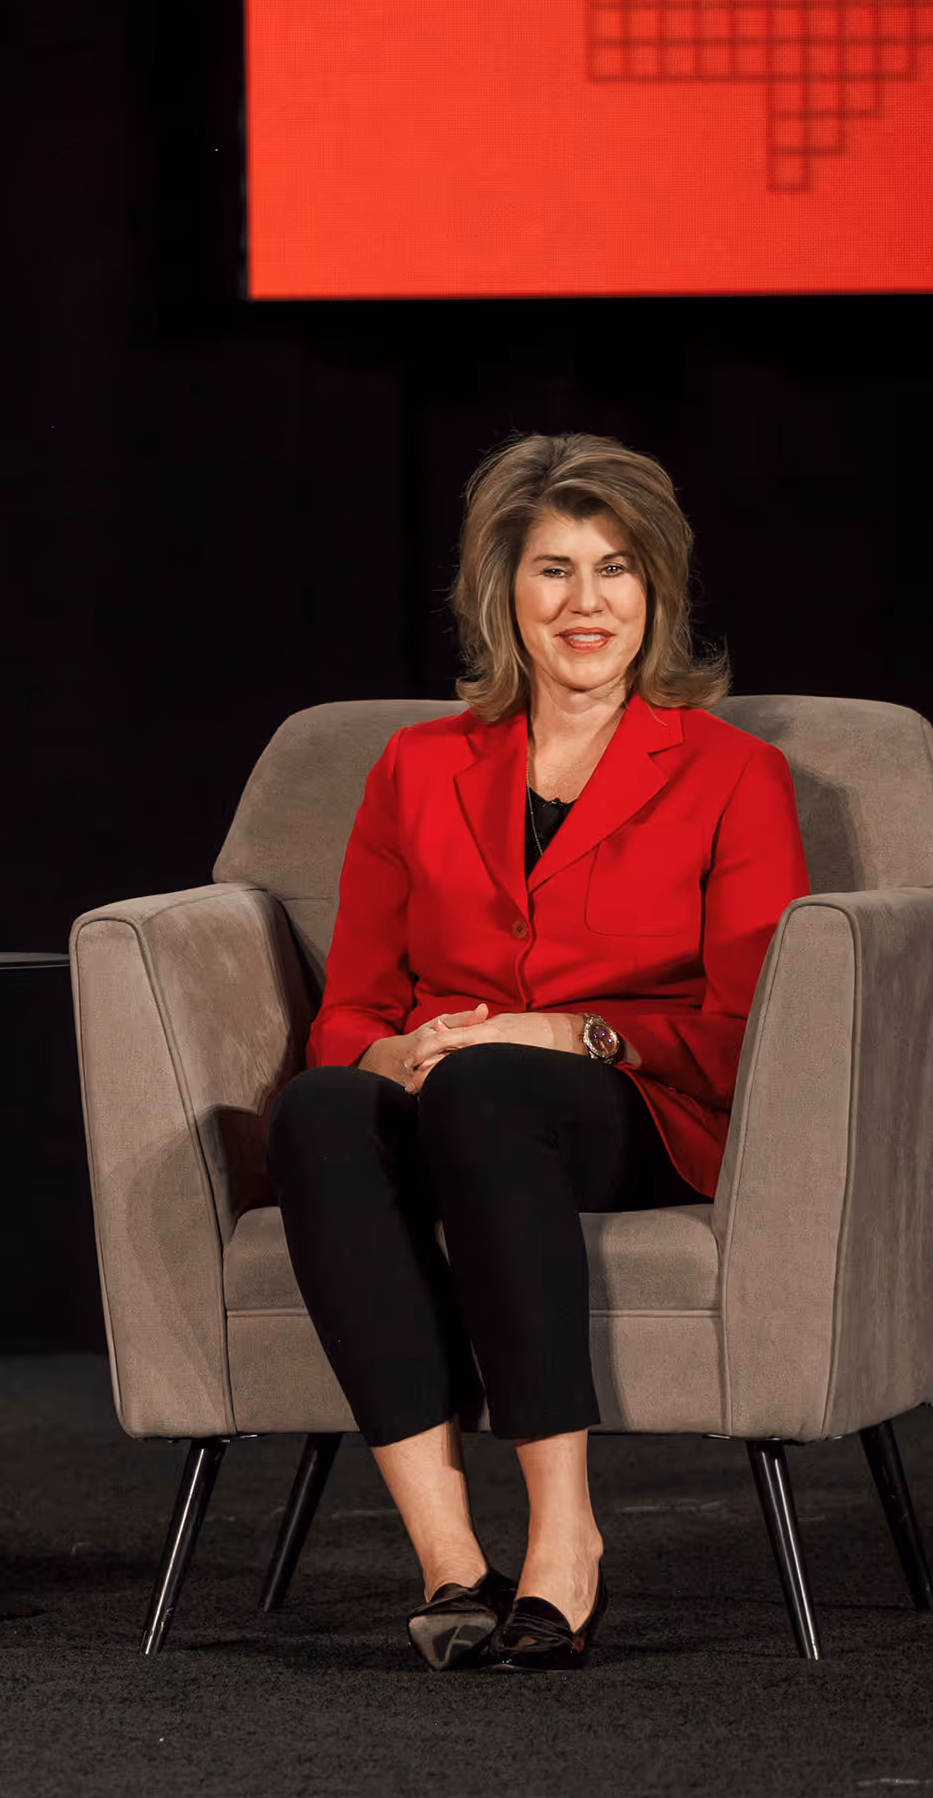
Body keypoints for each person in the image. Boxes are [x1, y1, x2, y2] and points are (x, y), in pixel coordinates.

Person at [268, 433, 807, 1672]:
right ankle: (451, 1558)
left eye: (616, 570)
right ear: (502, 593)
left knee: (495, 1085)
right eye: (553, 570)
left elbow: (742, 1034)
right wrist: (398, 1051)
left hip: (637, 1101)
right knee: (315, 1111)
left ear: (657, 591)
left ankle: (567, 1537)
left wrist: (564, 1031)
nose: (586, 603)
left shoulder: (734, 775)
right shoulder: (416, 769)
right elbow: (348, 1008)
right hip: (454, 1076)